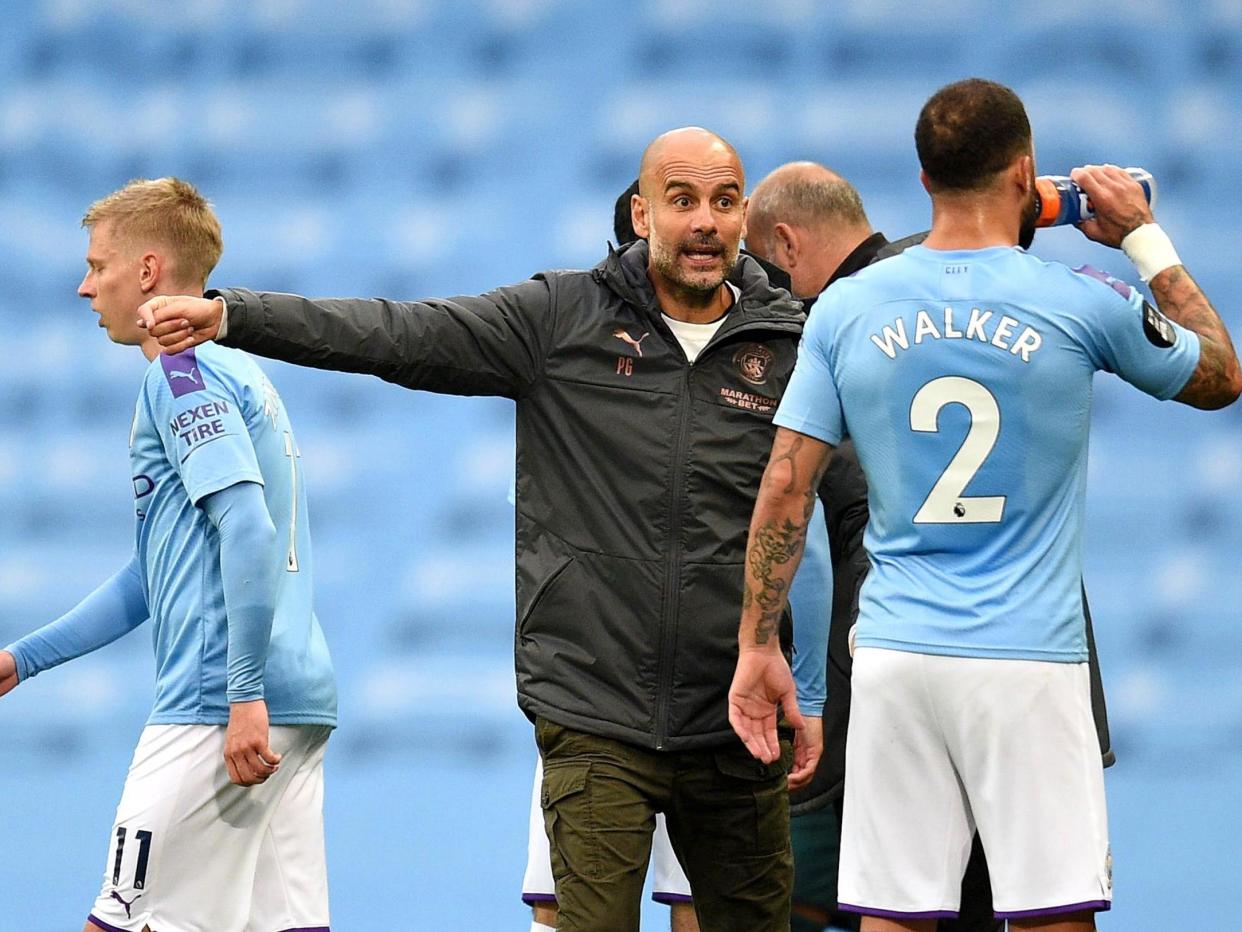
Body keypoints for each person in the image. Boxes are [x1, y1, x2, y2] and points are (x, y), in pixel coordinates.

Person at [138, 127, 830, 932]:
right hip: (595, 713)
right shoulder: (561, 319)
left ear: (745, 213)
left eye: (722, 200)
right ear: (642, 215)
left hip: (733, 717)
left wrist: (806, 684)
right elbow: (394, 332)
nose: (705, 221)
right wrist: (233, 314)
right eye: (682, 201)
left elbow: (815, 519)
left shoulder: (790, 342)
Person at [731, 78, 1240, 932]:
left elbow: (786, 485)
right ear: (1027, 173)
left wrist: (756, 643)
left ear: (923, 181)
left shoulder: (847, 308)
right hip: (1027, 659)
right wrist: (1143, 238)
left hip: (895, 655)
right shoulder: (1081, 297)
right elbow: (1221, 374)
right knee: (1052, 915)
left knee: (892, 915)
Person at [0, 178, 337, 932]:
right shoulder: (244, 371)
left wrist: (241, 692)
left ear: (149, 271)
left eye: (99, 267)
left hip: (218, 703)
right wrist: (26, 659)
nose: (87, 288)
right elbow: (153, 574)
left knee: (122, 922)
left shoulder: (182, 377)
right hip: (296, 697)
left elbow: (246, 527)